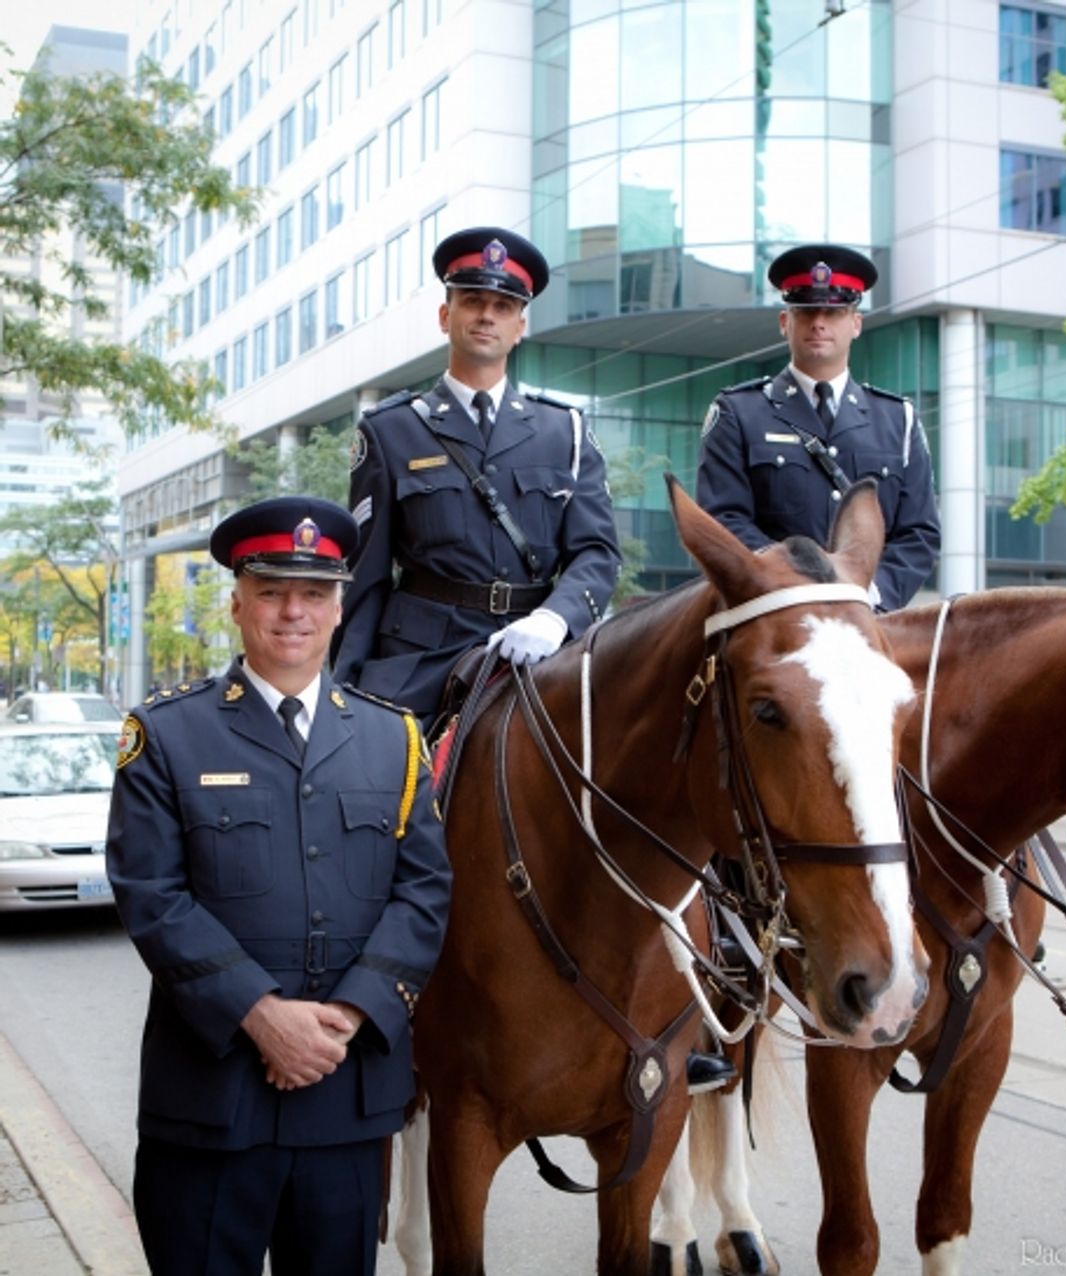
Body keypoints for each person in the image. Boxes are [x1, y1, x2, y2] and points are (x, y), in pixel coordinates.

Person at [105, 495, 453, 1276]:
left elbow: (425, 890)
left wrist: (353, 1012)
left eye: (315, 594)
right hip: (208, 1103)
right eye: (271, 591)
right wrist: (261, 1017)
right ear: (237, 603)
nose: (293, 611)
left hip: (345, 1100)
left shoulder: (392, 738)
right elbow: (151, 896)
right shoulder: (166, 734)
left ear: (340, 607)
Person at [330, 226, 622, 719]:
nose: (487, 315)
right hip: (420, 666)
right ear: (446, 316)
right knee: (390, 791)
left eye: (503, 306)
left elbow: (597, 553)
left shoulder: (564, 431)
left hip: (538, 653)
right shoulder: (390, 431)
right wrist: (343, 693)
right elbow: (366, 578)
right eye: (472, 301)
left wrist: (556, 618)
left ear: (519, 326)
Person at [695, 243, 941, 612]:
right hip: (769, 618)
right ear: (784, 323)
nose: (819, 322)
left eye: (834, 311)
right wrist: (791, 585)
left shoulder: (897, 419)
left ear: (856, 323)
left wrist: (867, 594)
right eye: (807, 310)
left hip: (867, 617)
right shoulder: (738, 413)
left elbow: (918, 533)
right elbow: (723, 519)